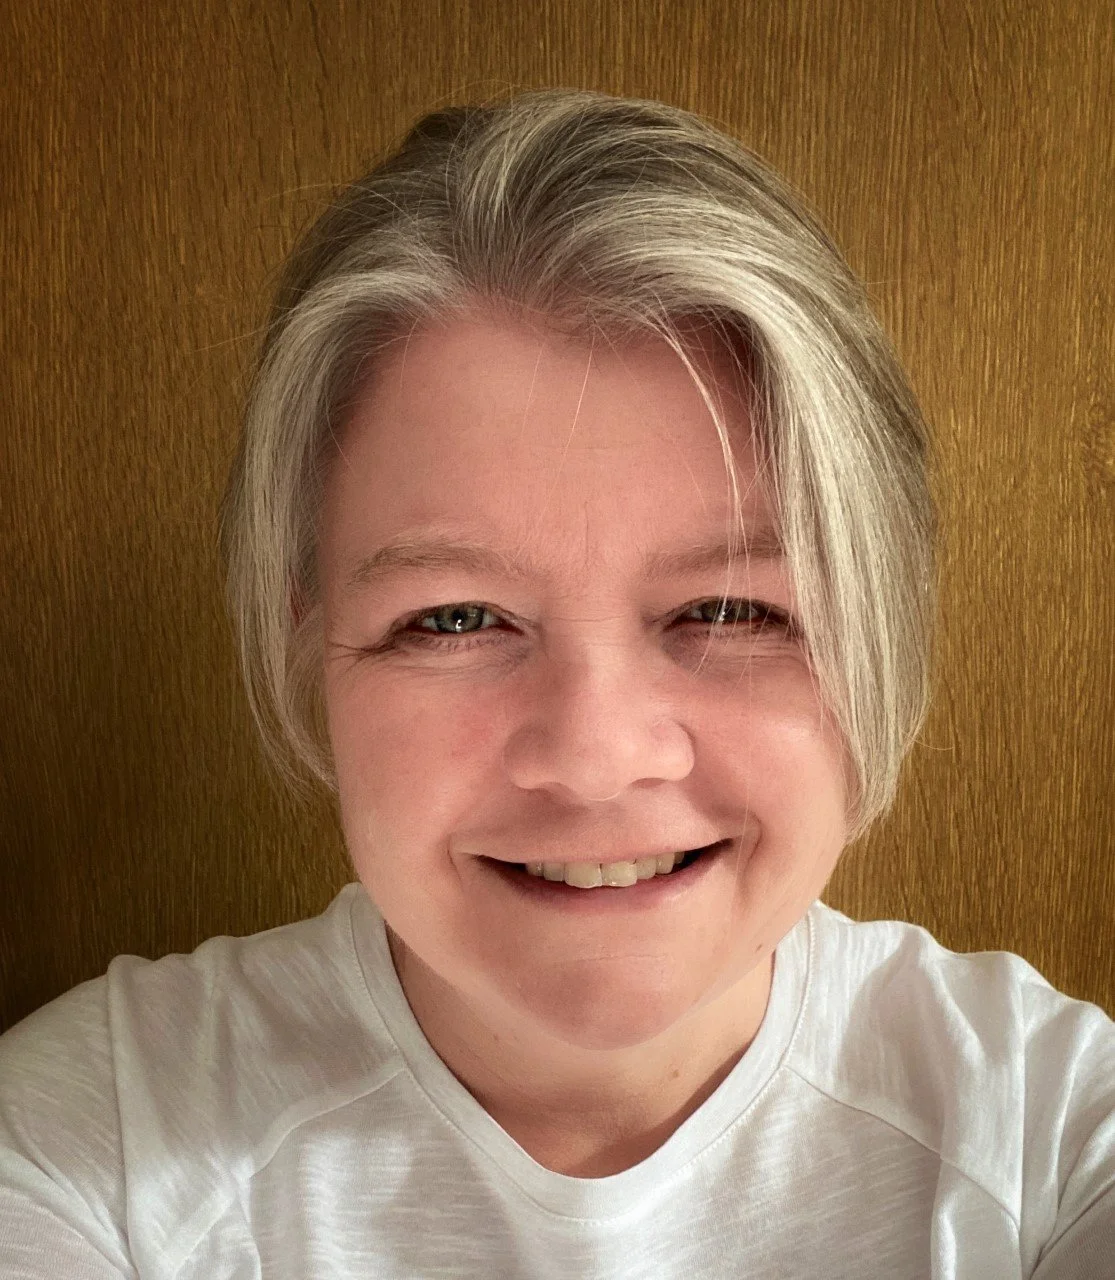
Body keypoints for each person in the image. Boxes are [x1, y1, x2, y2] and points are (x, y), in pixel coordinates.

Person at [1, 88, 1111, 1279]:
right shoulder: (85, 1148)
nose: (594, 754)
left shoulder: (1051, 1141)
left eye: (731, 609)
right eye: (454, 617)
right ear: (307, 642)